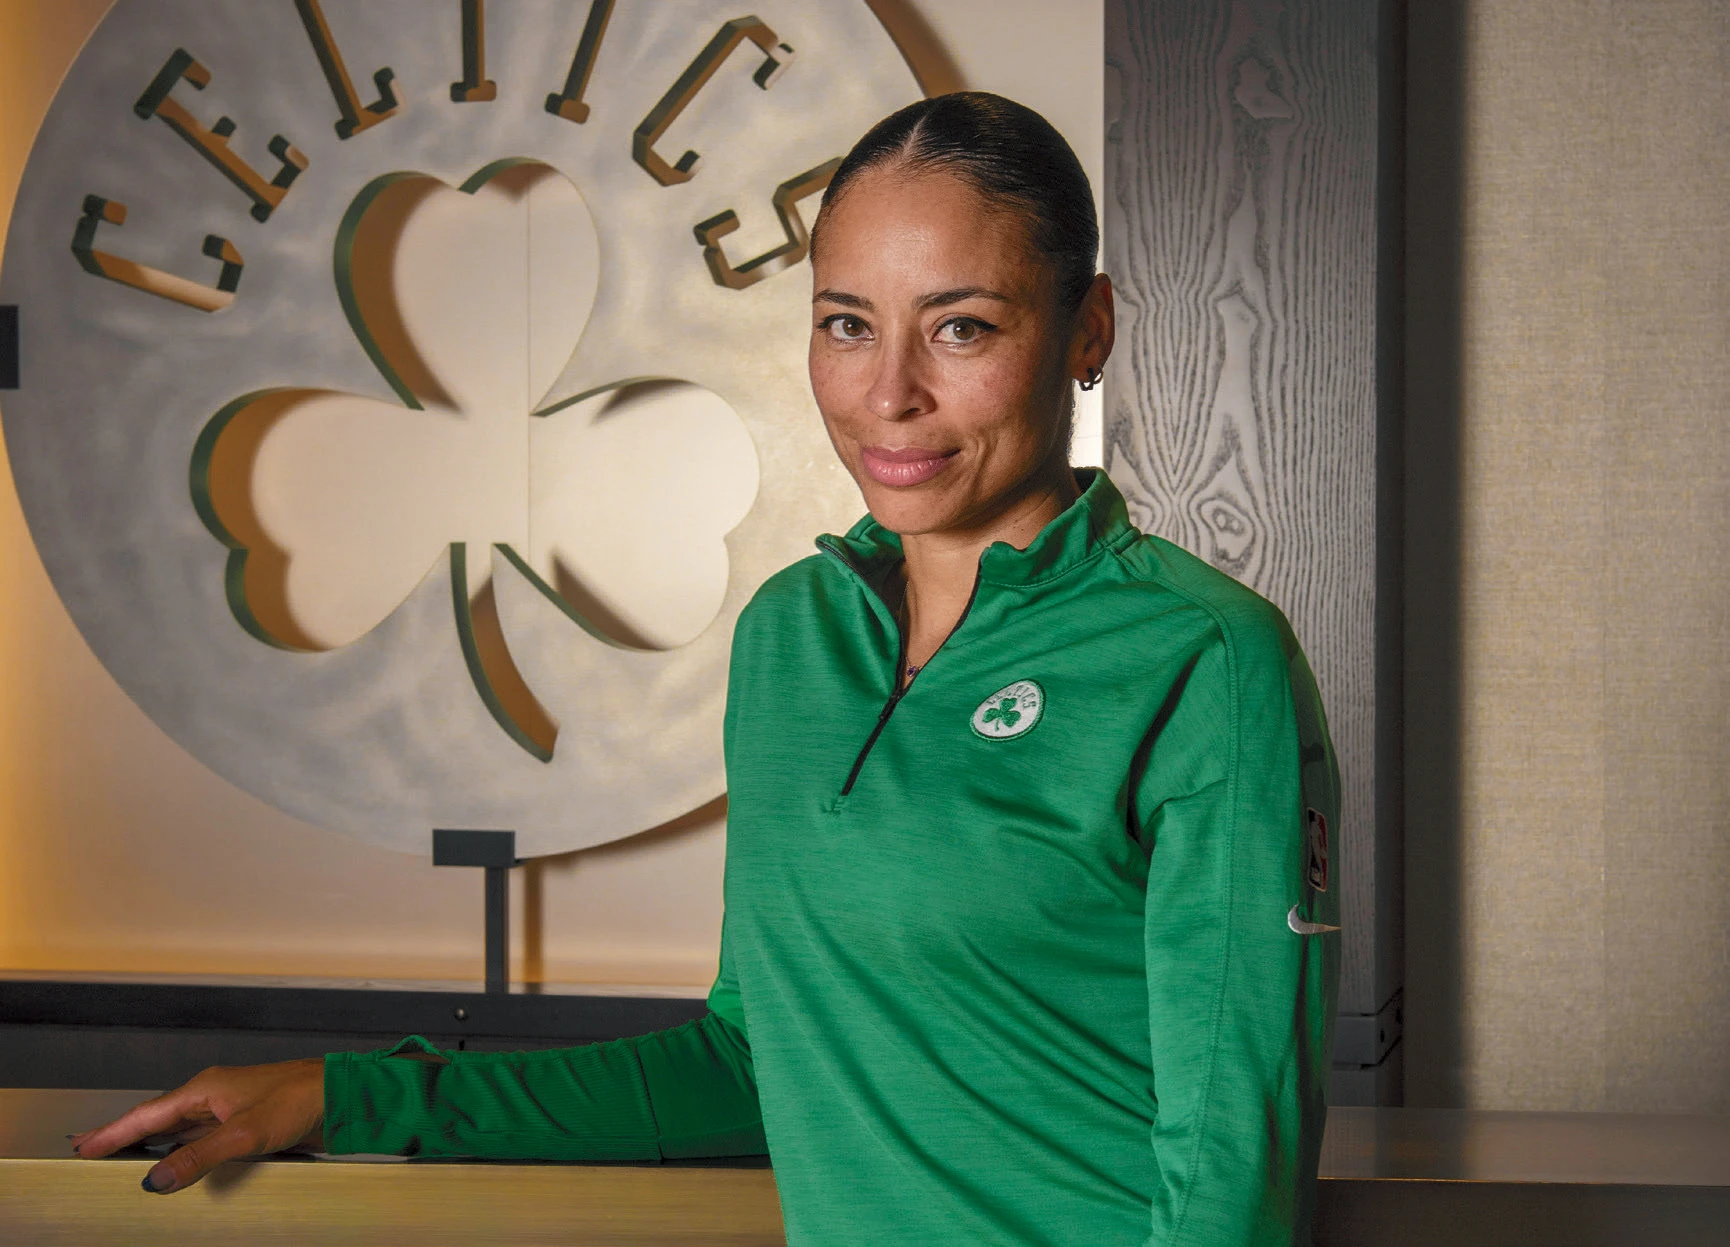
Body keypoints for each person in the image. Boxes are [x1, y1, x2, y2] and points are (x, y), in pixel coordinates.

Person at [73, 92, 1340, 1246]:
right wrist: (353, 1091)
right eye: (847, 324)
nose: (887, 393)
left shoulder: (1202, 657)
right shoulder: (793, 638)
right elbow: (752, 1057)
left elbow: (1232, 1160)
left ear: (1086, 329)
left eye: (960, 327)